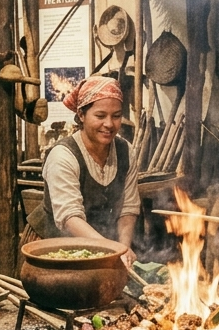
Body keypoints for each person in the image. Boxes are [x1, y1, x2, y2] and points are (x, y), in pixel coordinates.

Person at [29, 75, 138, 250]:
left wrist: (124, 248)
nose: (109, 124)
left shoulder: (126, 151)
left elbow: (128, 208)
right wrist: (113, 250)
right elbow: (70, 218)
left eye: (116, 116)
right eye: (100, 116)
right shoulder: (63, 156)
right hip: (56, 248)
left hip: (106, 247)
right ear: (81, 114)